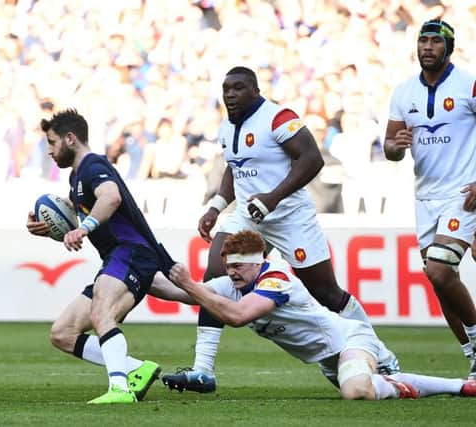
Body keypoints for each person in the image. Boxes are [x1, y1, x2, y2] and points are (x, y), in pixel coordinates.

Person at [162, 66, 398, 392]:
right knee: (214, 276)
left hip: (289, 216)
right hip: (248, 215)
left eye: (238, 88)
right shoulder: (226, 127)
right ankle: (203, 369)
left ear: (255, 91)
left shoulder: (278, 117)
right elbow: (235, 167)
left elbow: (311, 158)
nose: (230, 94)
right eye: (226, 88)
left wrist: (273, 198)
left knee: (326, 292)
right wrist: (216, 206)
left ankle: (378, 353)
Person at [163, 230, 476, 400]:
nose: (231, 273)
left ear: (258, 261)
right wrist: (133, 275)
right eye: (228, 266)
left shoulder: (276, 279)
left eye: (237, 266)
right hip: (329, 361)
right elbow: (178, 291)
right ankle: (386, 377)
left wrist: (191, 283)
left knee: (356, 392)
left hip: (351, 340)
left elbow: (238, 316)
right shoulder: (236, 282)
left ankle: (456, 386)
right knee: (356, 387)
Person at [26, 109, 171, 404]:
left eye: (52, 143)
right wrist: (49, 228)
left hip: (131, 252)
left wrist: (84, 229)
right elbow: (75, 210)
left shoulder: (94, 166)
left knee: (102, 312)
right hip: (117, 259)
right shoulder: (77, 177)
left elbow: (111, 197)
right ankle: (136, 369)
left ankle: (120, 389)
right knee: (62, 332)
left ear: (70, 138)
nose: (50, 151)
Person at [383, 19, 476, 378]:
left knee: (439, 269)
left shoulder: (468, 83)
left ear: (448, 47)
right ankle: (471, 355)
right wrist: (396, 146)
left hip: (463, 192)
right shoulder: (403, 92)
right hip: (425, 196)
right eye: (422, 41)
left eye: (435, 41)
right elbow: (390, 145)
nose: (427, 47)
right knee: (438, 278)